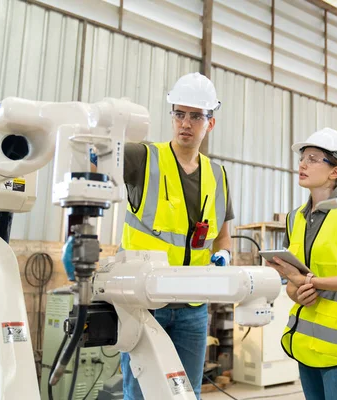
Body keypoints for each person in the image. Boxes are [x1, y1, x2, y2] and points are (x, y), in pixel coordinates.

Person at [119, 72, 235, 400]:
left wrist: (224, 255)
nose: (186, 123)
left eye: (196, 116)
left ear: (209, 123)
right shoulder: (142, 158)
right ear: (171, 116)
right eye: (180, 114)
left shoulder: (219, 175)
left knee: (187, 393)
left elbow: (223, 237)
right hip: (145, 302)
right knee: (140, 392)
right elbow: (96, 156)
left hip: (193, 307)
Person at [268, 127, 337, 400]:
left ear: (335, 171)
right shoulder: (294, 217)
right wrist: (298, 291)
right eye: (302, 158)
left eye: (313, 158)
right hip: (306, 344)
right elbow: (294, 286)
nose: (302, 164)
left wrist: (313, 283)